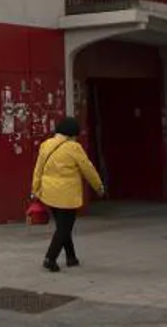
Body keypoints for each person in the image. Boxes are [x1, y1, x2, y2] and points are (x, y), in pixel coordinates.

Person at [30, 116, 105, 272]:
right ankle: (50, 258)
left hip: (49, 193)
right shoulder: (74, 148)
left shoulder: (46, 145)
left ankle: (71, 257)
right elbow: (88, 169)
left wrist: (35, 189)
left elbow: (38, 169)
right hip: (66, 195)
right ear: (72, 134)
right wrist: (98, 186)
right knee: (65, 228)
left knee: (62, 227)